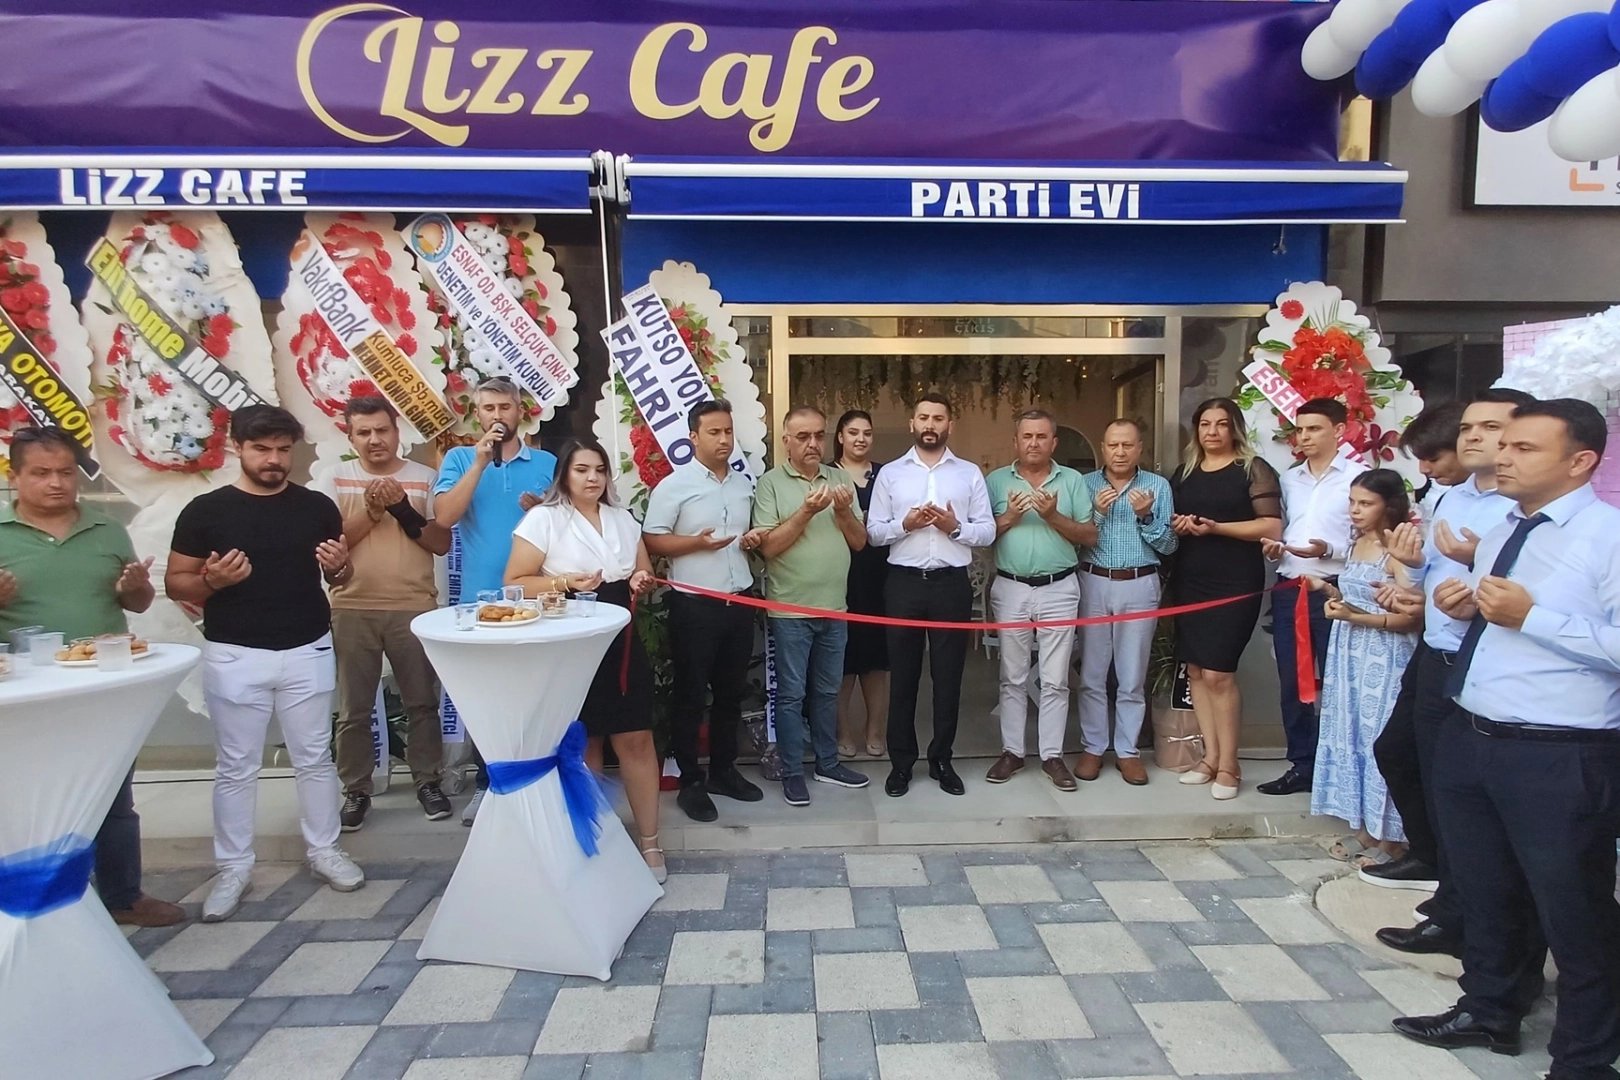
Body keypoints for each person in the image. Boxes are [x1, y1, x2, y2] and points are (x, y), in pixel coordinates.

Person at [1394, 399, 1620, 1080]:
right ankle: (1489, 1009)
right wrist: (1459, 608)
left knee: (1572, 909)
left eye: (1525, 448)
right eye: (1505, 443)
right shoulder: (1502, 531)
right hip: (1474, 735)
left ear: (1580, 461)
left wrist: (1534, 617)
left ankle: (1584, 1058)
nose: (1503, 456)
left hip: (1558, 750)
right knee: (1487, 892)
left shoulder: (1607, 537)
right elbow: (1497, 626)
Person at [167, 406, 363, 922]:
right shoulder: (206, 511)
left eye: (282, 449)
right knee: (236, 766)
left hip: (307, 648)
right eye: (261, 449)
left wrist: (341, 569)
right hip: (235, 653)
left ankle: (325, 850)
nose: (273, 459)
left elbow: (339, 576)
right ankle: (233, 867)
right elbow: (175, 582)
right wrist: (211, 582)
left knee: (315, 758)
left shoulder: (317, 507)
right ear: (238, 447)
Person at [1365, 389, 1529, 938]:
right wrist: (1410, 577)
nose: (1476, 437)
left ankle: (1456, 908)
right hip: (1434, 648)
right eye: (1468, 428)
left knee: (1454, 786)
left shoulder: (1519, 508)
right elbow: (1429, 576)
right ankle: (1433, 860)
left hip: (1477, 660)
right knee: (1398, 753)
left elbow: (1520, 594)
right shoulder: (1450, 498)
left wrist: (1477, 560)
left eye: (1491, 428)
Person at [0, 426, 179, 927]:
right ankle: (41, 903)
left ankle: (123, 897)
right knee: (30, 797)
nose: (57, 483)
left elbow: (137, 603)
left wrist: (134, 587)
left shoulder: (107, 530)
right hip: (27, 693)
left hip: (102, 685)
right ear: (15, 476)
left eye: (65, 472)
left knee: (112, 795)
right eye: (42, 473)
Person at [504, 440, 665, 881]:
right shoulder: (544, 518)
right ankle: (594, 843)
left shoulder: (622, 519)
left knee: (636, 739)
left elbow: (642, 572)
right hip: (570, 638)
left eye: (599, 469)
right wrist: (565, 582)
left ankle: (650, 843)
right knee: (584, 742)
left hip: (621, 638)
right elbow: (514, 581)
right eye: (581, 470)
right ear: (565, 475)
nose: (592, 478)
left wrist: (641, 580)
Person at [311, 397, 452, 831]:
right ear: (350, 437)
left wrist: (402, 508)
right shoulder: (333, 478)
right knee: (353, 707)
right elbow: (329, 544)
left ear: (397, 431)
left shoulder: (425, 478)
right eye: (364, 432)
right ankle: (356, 789)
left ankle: (428, 782)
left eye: (382, 430)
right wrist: (372, 512)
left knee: (422, 703)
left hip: (414, 605)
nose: (375, 439)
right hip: (352, 606)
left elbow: (440, 542)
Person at [432, 376, 557, 825]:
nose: (498, 416)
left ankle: (534, 787)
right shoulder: (459, 458)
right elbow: (444, 517)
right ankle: (489, 786)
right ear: (477, 414)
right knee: (487, 703)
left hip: (537, 599)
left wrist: (542, 508)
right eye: (489, 408)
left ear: (521, 412)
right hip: (480, 602)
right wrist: (479, 463)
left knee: (534, 699)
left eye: (506, 407)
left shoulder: (546, 461)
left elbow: (567, 523)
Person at [642, 400, 766, 823]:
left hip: (738, 603)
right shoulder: (674, 486)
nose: (724, 439)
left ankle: (724, 772)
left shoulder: (743, 484)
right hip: (695, 606)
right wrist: (696, 543)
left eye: (728, 431)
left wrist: (750, 540)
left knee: (730, 693)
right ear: (693, 437)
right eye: (714, 432)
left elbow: (746, 535)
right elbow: (652, 540)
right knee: (691, 695)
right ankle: (691, 781)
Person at [867, 393, 995, 797]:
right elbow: (874, 532)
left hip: (950, 585)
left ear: (949, 426)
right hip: (903, 584)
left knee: (948, 677)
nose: (930, 424)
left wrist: (954, 527)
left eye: (938, 418)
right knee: (903, 677)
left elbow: (987, 530)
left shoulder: (969, 473)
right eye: (923, 417)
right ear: (912, 423)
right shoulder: (891, 473)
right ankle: (901, 764)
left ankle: (942, 759)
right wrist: (904, 525)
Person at [753, 407, 871, 807]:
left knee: (826, 691)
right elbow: (768, 548)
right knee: (790, 695)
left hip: (834, 608)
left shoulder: (839, 479)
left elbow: (859, 541)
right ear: (786, 441)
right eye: (802, 437)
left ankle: (827, 763)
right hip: (790, 611)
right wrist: (806, 511)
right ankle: (791, 771)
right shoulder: (770, 484)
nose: (812, 444)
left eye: (819, 435)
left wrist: (842, 511)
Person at [1170, 398, 1283, 801]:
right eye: (1205, 424)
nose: (1212, 432)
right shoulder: (1185, 472)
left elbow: (1270, 526)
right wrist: (1179, 525)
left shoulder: (1252, 469)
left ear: (1234, 428)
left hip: (1234, 581)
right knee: (1196, 671)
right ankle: (1210, 758)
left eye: (1220, 424)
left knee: (1220, 674)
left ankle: (1230, 765)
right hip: (1191, 578)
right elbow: (1171, 521)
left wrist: (1217, 528)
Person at [1258, 398, 1368, 796]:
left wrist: (1329, 550)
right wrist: (1276, 549)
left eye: (1314, 429)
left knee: (1340, 682)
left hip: (1337, 588)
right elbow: (1283, 531)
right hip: (1291, 588)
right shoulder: (1289, 481)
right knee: (1294, 682)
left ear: (1338, 431)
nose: (1304, 437)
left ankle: (1343, 770)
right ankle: (1302, 765)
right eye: (1300, 429)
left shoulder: (1359, 478)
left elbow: (1371, 539)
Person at [1308, 469, 1419, 863]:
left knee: (1380, 740)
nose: (1355, 510)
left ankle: (1394, 838)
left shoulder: (1398, 549)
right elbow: (1359, 596)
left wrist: (1356, 617)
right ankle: (1367, 828)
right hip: (1350, 652)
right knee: (1352, 733)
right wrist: (1330, 593)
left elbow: (1412, 617)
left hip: (1386, 655)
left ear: (1389, 505)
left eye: (1366, 503)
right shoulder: (1358, 543)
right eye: (1352, 502)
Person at [983, 409, 1097, 790]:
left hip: (1059, 587)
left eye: (1041, 436)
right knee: (1011, 677)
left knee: (1056, 679)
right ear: (1015, 442)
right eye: (1027, 436)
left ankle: (1052, 756)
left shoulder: (1073, 480)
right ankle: (1012, 752)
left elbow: (1089, 535)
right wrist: (1010, 517)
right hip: (1011, 586)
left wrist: (1052, 516)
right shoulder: (996, 481)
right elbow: (979, 535)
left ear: (1054, 442)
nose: (1034, 443)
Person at [1078, 418, 1178, 785]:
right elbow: (1074, 539)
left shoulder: (1157, 486)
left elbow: (1169, 545)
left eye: (1127, 445)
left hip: (1139, 583)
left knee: (1132, 674)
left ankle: (1127, 751)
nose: (1119, 452)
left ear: (1139, 449)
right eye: (1113, 445)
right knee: (1091, 672)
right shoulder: (1084, 485)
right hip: (1093, 580)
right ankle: (1093, 747)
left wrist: (1146, 517)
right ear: (1103, 448)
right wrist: (1098, 514)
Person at [832, 409, 890, 759]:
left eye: (867, 433)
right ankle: (843, 732)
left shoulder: (886, 475)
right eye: (853, 432)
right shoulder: (827, 474)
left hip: (880, 577)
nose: (860, 439)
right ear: (840, 436)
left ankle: (875, 731)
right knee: (842, 663)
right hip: (839, 576)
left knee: (877, 662)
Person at [1401, 400, 1470, 520]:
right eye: (1420, 460)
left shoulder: (1505, 500)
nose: (1423, 469)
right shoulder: (1448, 499)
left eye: (1433, 459)